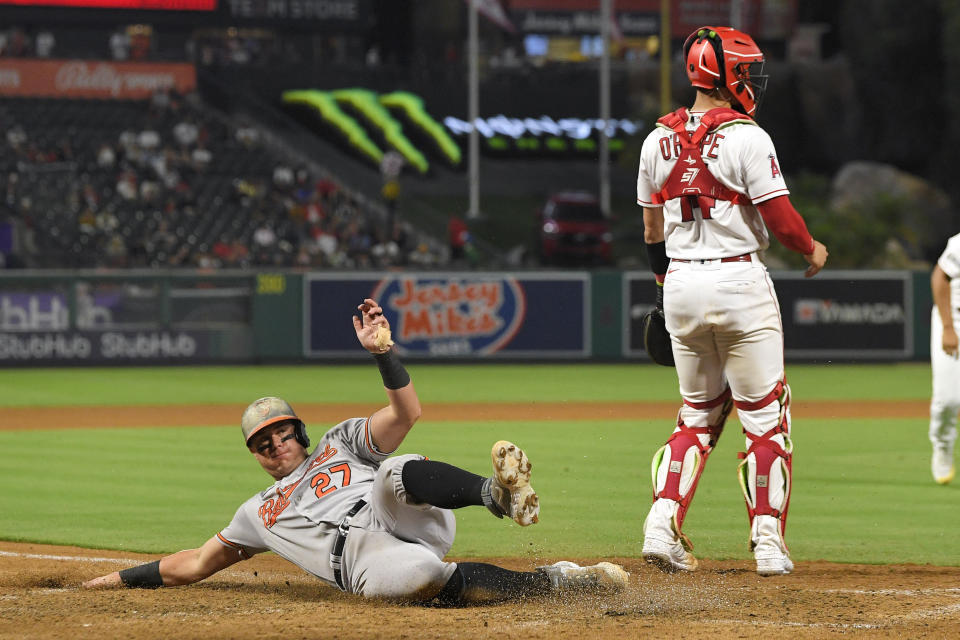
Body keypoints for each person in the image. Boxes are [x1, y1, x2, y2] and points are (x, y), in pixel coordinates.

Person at [82, 298, 628, 602]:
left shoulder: (338, 443)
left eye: (281, 431)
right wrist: (119, 578)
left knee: (393, 468)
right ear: (256, 455)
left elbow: (407, 413)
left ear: (298, 430)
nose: (276, 444)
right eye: (262, 442)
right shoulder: (255, 513)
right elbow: (196, 564)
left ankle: (497, 496)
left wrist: (384, 353)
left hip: (402, 514)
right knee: (423, 580)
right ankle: (559, 581)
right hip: (364, 562)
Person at [635, 26, 829, 577]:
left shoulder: (655, 140)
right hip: (738, 281)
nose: (753, 80)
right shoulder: (748, 136)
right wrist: (812, 248)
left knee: (696, 415)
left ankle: (660, 524)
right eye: (747, 70)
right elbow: (781, 218)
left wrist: (660, 286)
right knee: (766, 419)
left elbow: (652, 228)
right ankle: (768, 542)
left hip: (680, 285)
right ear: (728, 76)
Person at [930, 233, 960, 484]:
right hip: (954, 319)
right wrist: (948, 327)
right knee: (948, 400)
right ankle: (942, 445)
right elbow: (939, 277)